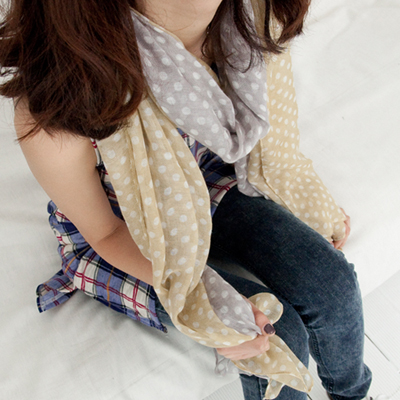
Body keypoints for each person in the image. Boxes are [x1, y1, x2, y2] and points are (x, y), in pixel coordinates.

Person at [0, 0, 385, 399]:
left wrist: (305, 197)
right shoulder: (57, 108)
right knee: (275, 335)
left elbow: (276, 146)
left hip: (202, 182)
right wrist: (203, 302)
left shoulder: (243, 23)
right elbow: (104, 233)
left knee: (332, 283)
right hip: (121, 233)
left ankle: (351, 395)